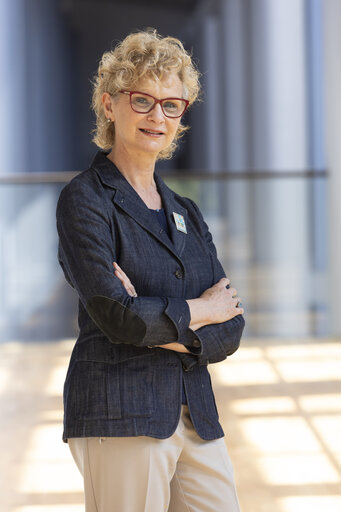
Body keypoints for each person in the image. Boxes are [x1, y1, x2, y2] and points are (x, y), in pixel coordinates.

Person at [56, 28, 245, 512]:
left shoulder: (186, 209)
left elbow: (233, 325)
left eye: (171, 104)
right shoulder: (86, 199)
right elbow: (117, 316)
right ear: (109, 104)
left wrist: (160, 318)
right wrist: (202, 310)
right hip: (120, 411)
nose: (156, 115)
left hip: (195, 411)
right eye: (142, 99)